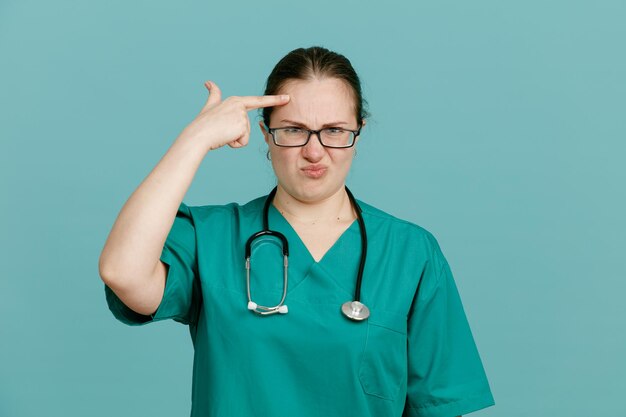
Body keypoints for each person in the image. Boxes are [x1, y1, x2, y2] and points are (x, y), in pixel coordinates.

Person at [99, 46, 495, 417]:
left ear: (359, 131)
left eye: (335, 130)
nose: (314, 150)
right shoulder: (212, 237)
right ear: (266, 134)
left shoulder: (410, 253)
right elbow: (123, 272)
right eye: (293, 130)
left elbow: (439, 406)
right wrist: (196, 139)